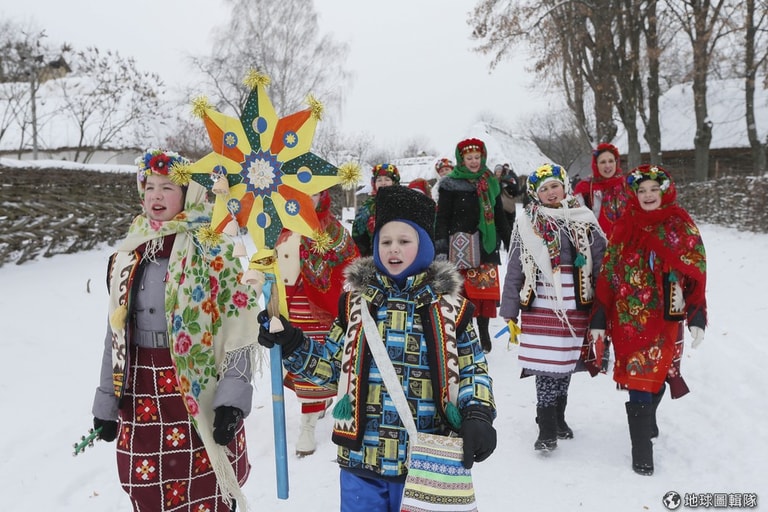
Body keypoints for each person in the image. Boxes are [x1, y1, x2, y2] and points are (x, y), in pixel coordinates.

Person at [258, 185, 497, 511]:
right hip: (361, 461)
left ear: (424, 246)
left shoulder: (451, 309)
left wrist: (478, 414)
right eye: (385, 242)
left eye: (404, 241)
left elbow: (472, 369)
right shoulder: (355, 306)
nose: (393, 249)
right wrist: (292, 342)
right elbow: (332, 369)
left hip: (426, 460)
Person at [90, 148, 262, 511]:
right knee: (146, 484)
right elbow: (115, 332)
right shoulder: (129, 253)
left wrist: (232, 400)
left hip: (195, 386)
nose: (156, 195)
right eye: (150, 186)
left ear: (188, 193)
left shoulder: (214, 248)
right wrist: (106, 402)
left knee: (205, 486)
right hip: (141, 389)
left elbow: (239, 326)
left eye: (167, 187)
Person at [590, 164, 707, 476]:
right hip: (629, 319)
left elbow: (696, 271)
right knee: (638, 379)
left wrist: (697, 314)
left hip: (666, 317)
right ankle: (641, 449)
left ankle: (648, 418)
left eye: (654, 189)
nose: (648, 195)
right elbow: (608, 273)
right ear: (634, 194)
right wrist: (599, 317)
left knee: (658, 376)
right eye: (641, 190)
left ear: (665, 191)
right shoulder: (623, 226)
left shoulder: (681, 225)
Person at [499, 163, 606, 452]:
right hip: (541, 305)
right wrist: (509, 309)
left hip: (575, 304)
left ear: (565, 187)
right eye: (543, 189)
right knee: (546, 366)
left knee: (565, 364)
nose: (550, 192)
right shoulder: (527, 224)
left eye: (554, 186)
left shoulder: (583, 219)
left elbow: (600, 262)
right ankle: (546, 428)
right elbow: (515, 268)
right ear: (535, 194)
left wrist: (604, 303)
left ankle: (558, 417)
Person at [275, 189, 360, 457]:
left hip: (322, 307)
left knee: (315, 360)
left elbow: (351, 265)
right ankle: (316, 406)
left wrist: (342, 298)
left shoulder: (334, 230)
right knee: (293, 359)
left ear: (322, 195)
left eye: (313, 193)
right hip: (288, 304)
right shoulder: (280, 227)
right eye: (301, 192)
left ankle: (307, 425)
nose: (307, 198)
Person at [435, 138, 512, 353]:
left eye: (477, 157)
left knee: (483, 293)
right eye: (469, 158)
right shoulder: (450, 185)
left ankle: (484, 332)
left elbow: (499, 215)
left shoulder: (491, 182)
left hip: (486, 245)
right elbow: (442, 218)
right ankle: (465, 334)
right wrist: (441, 247)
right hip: (460, 247)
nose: (474, 161)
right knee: (463, 295)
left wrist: (510, 242)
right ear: (462, 159)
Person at [573, 142, 632, 238]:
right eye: (603, 162)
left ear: (616, 162)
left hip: (626, 241)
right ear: (596, 164)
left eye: (611, 161)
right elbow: (579, 221)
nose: (607, 165)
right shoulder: (585, 188)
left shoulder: (627, 185)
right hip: (597, 242)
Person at [351, 163, 400, 257]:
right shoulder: (368, 207)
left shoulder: (403, 203)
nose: (383, 183)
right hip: (374, 256)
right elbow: (358, 237)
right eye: (379, 180)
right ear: (374, 183)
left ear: (394, 182)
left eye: (387, 179)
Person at [498, 163, 521, 231]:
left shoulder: (509, 178)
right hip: (508, 206)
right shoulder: (512, 176)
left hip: (505, 205)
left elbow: (515, 190)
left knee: (507, 224)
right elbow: (516, 190)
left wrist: (506, 185)